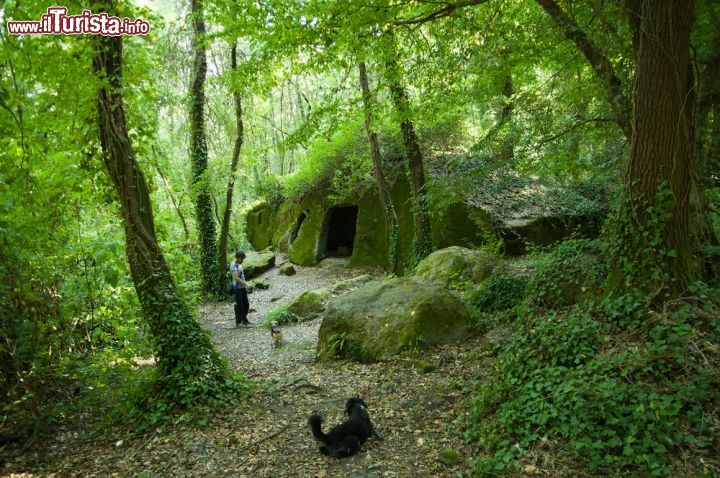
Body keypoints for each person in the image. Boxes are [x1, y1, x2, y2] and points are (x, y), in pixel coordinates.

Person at [230, 250, 253, 327]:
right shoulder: (233, 266)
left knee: (246, 304)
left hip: (242, 288)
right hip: (237, 289)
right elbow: (236, 278)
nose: (242, 260)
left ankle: (243, 319)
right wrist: (246, 284)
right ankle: (239, 321)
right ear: (239, 258)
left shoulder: (239, 265)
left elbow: (242, 277)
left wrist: (246, 285)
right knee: (239, 305)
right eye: (242, 259)